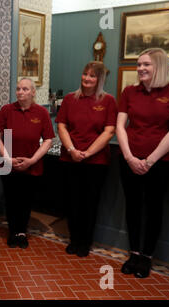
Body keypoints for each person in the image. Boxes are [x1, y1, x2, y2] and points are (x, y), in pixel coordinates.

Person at [116, 48, 169, 278]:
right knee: (133, 207)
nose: (141, 68)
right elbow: (120, 126)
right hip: (129, 161)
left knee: (154, 210)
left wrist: (149, 161)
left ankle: (146, 257)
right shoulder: (129, 92)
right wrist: (130, 158)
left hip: (160, 163)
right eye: (139, 64)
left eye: (147, 64)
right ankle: (133, 253)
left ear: (160, 66)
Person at [56, 61, 117, 258]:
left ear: (100, 79)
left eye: (92, 76)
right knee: (72, 202)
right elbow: (62, 126)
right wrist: (72, 150)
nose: (87, 78)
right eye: (85, 74)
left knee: (90, 203)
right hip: (70, 158)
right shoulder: (69, 99)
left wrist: (88, 153)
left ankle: (85, 242)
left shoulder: (108, 101)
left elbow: (109, 131)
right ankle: (74, 239)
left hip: (96, 162)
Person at [0, 78, 54, 249]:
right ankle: (13, 231)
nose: (21, 92)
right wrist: (7, 158)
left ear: (33, 92)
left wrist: (33, 160)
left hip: (31, 165)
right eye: (18, 88)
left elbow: (48, 139)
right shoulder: (7, 110)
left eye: (25, 89)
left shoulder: (41, 112)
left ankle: (22, 232)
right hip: (8, 164)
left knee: (26, 201)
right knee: (11, 199)